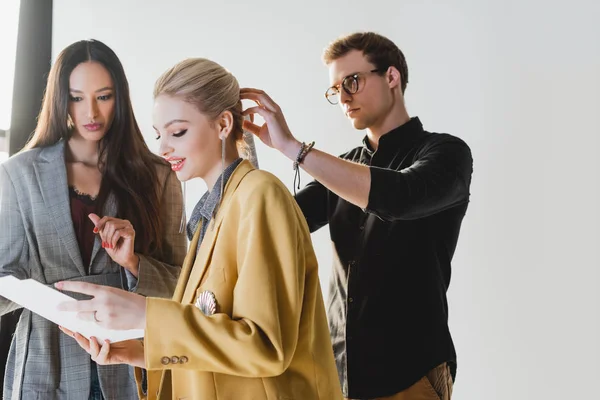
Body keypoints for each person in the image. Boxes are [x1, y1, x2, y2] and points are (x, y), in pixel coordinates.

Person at [57, 57, 343, 400]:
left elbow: (266, 345)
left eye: (177, 132)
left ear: (223, 124)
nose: (163, 148)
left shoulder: (260, 196)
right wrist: (138, 351)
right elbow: (212, 332)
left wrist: (148, 315)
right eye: (159, 134)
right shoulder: (213, 211)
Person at [241, 31, 473, 400]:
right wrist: (238, 150)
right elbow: (273, 222)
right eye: (335, 90)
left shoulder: (447, 153)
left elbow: (398, 197)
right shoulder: (343, 167)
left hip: (411, 373)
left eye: (352, 81)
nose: (344, 97)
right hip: (337, 377)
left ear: (392, 77)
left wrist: (294, 149)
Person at [0, 39, 187, 400]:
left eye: (103, 96)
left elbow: (184, 286)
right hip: (43, 365)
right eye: (77, 97)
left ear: (120, 96)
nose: (91, 113)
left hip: (128, 368)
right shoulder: (17, 175)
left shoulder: (158, 176)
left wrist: (134, 263)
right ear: (60, 99)